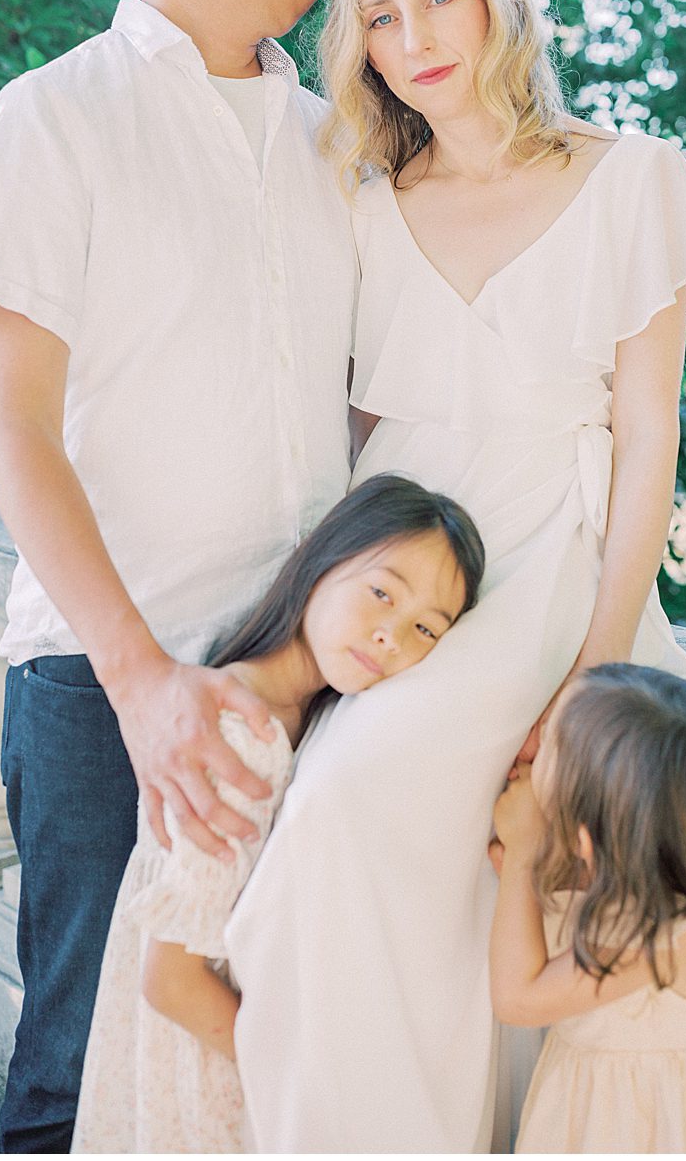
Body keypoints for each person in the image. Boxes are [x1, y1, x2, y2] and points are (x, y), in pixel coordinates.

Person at [228, 0, 686, 1151]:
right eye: (381, 16)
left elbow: (650, 434)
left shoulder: (632, 177)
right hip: (407, 562)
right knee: (362, 838)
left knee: (362, 797)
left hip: (554, 553)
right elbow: (348, 430)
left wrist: (594, 666)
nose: (415, 36)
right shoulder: (362, 194)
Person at [0, 0, 352, 1153]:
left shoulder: (332, 143)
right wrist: (143, 684)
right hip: (109, 686)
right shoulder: (48, 120)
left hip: (304, 684)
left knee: (255, 1078)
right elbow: (8, 425)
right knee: (75, 1073)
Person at [71, 473, 484, 1153]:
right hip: (203, 1065)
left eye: (424, 628)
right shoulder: (244, 736)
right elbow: (170, 981)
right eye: (382, 591)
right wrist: (298, 1076)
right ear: (323, 560)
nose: (390, 635)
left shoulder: (298, 718)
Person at [489, 664, 686, 1154]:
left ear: (590, 832)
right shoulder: (639, 870)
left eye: (549, 739)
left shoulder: (679, 939)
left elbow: (518, 999)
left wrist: (523, 857)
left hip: (652, 1129)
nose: (531, 744)